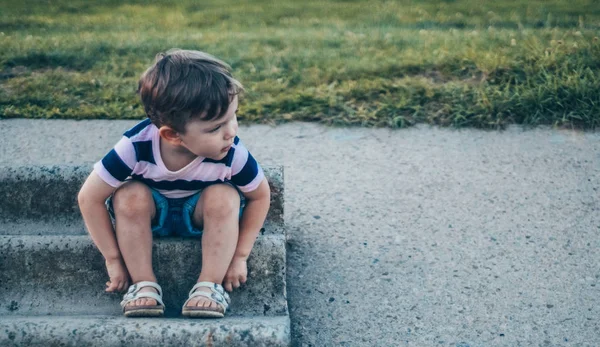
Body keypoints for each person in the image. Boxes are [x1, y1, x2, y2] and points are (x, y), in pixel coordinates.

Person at [77, 49, 270, 318]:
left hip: (200, 215)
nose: (231, 131)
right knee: (129, 194)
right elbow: (89, 198)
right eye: (216, 128)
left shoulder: (231, 152)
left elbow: (260, 196)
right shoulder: (135, 146)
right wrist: (112, 259)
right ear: (173, 135)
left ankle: (209, 286)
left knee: (224, 196)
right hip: (150, 216)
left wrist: (240, 256)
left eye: (233, 116)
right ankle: (143, 284)